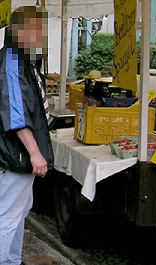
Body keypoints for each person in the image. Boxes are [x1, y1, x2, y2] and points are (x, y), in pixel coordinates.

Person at [0, 6, 54, 265]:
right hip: (15, 155)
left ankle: (11, 260)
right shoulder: (12, 61)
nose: (41, 36)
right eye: (37, 30)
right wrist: (34, 153)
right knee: (8, 217)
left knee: (19, 213)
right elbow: (16, 113)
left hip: (17, 155)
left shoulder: (20, 59)